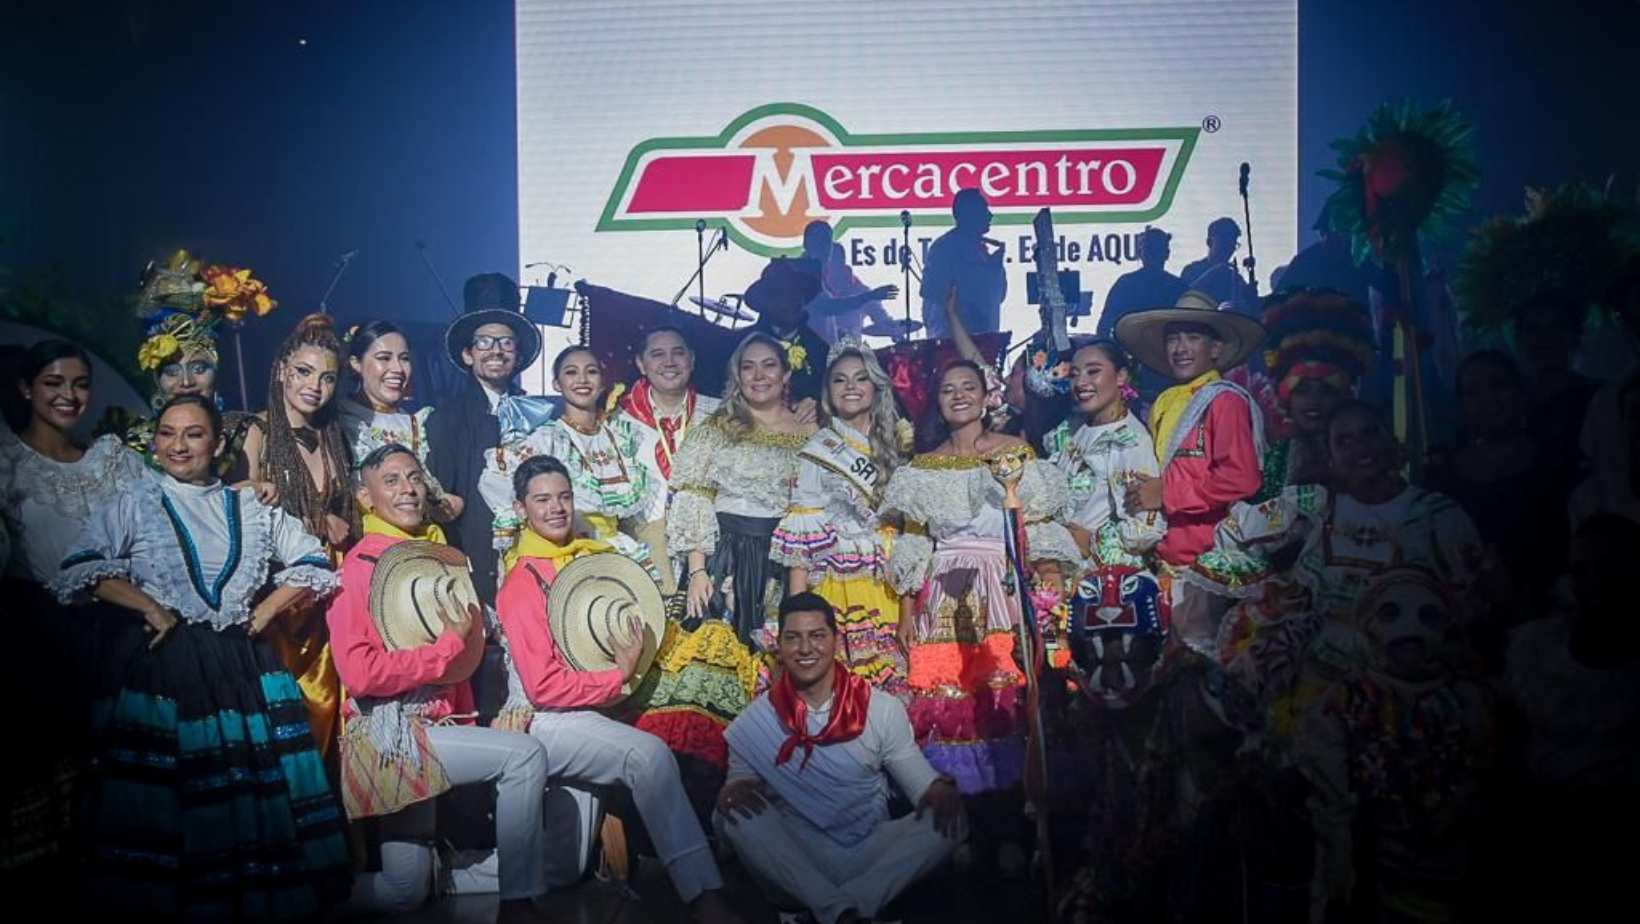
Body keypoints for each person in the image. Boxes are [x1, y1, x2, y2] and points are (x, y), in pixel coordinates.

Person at [52, 395, 349, 919]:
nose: (177, 445)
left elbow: (311, 560)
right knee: (168, 797)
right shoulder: (136, 501)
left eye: (192, 434)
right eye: (167, 434)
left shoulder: (248, 506)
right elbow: (82, 565)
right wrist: (148, 605)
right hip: (166, 666)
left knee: (248, 789)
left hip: (241, 664)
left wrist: (266, 611)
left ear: (217, 444)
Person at [493, 454, 744, 924]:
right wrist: (620, 677)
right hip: (544, 719)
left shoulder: (589, 558)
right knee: (646, 756)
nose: (556, 508)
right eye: (542, 500)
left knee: (563, 871)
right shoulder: (522, 581)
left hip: (592, 711)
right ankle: (704, 895)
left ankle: (439, 875)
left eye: (564, 497)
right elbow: (543, 688)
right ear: (521, 508)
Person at [326, 444, 552, 921]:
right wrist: (448, 647)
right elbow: (361, 674)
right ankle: (518, 906)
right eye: (391, 481)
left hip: (433, 725)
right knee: (524, 757)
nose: (408, 489)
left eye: (413, 477)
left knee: (404, 892)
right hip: (394, 733)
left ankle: (307, 898)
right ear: (365, 498)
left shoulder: (435, 555)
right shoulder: (358, 569)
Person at [880, 361, 1079, 795]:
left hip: (1002, 588)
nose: (958, 396)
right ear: (938, 401)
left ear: (987, 396)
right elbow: (915, 541)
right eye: (948, 389)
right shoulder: (923, 467)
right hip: (944, 594)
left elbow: (1039, 527)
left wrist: (1047, 587)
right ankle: (956, 799)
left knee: (1003, 683)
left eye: (968, 387)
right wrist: (906, 608)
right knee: (947, 687)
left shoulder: (1015, 452)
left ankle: (1008, 797)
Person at [717, 593, 966, 924]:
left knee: (952, 816)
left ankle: (844, 907)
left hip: (870, 852)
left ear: (836, 641)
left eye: (817, 636)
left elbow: (920, 784)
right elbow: (738, 784)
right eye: (793, 638)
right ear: (779, 646)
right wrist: (732, 792)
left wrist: (938, 791)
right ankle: (842, 911)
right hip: (795, 859)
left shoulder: (881, 708)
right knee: (732, 815)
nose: (805, 649)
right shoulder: (754, 722)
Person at [0, 339, 148, 877]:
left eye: (80, 383)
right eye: (53, 383)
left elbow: (168, 512)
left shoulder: (112, 460)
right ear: (25, 388)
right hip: (39, 637)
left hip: (118, 632)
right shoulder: (8, 461)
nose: (68, 395)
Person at [634, 333, 815, 771]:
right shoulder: (716, 429)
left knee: (773, 664)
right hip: (722, 557)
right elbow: (694, 497)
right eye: (748, 366)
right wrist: (697, 570)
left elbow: (809, 517)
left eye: (769, 365)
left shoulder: (810, 435)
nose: (759, 376)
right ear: (737, 374)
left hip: (779, 558)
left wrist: (800, 590)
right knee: (707, 664)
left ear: (785, 373)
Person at [1114, 292, 1266, 653]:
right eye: (1172, 338)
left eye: (1193, 337)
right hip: (1167, 556)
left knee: (1204, 669)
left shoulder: (1224, 399)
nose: (1180, 348)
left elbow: (1241, 478)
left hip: (1210, 563)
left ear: (1215, 349)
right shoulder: (1165, 402)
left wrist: (1166, 494)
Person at [242, 313, 358, 761]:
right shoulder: (254, 429)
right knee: (286, 709)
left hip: (329, 589)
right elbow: (233, 498)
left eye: (328, 377)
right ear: (282, 370)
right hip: (279, 590)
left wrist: (332, 518)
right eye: (305, 372)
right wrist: (258, 491)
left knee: (329, 706)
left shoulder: (333, 438)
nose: (316, 386)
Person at [771, 337, 911, 698]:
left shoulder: (898, 448)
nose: (851, 387)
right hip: (836, 583)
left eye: (861, 378)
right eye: (840, 379)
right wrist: (795, 616)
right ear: (827, 392)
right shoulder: (818, 451)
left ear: (875, 386)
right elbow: (800, 546)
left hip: (889, 584)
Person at [480, 344, 657, 575]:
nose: (582, 379)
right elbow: (495, 480)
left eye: (591, 372)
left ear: (603, 383)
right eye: (571, 372)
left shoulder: (619, 438)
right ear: (557, 384)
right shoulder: (549, 439)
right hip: (565, 553)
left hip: (615, 551)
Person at [425, 273, 547, 604]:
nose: (496, 351)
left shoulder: (539, 416)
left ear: (518, 354)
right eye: (484, 342)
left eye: (506, 342)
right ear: (468, 354)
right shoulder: (444, 420)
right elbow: (441, 503)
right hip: (475, 564)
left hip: (537, 561)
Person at [97, 251, 263, 485]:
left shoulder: (241, 434)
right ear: (156, 378)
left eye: (198, 368)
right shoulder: (131, 443)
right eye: (171, 371)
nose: (185, 382)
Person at [615, 325, 722, 594]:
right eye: (657, 354)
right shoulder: (618, 419)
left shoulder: (720, 412)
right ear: (641, 363)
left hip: (711, 545)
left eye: (678, 353)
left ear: (692, 359)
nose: (669, 362)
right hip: (645, 546)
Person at [1042, 339, 1165, 574]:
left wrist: (1092, 541)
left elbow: (1147, 528)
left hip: (1095, 579)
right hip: (1057, 567)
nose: (1081, 382)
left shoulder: (1129, 441)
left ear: (1121, 377)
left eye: (1093, 371)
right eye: (1075, 374)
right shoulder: (1072, 429)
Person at [337, 319, 462, 523]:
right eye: (384, 358)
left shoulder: (418, 424)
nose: (397, 368)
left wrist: (446, 505)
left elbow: (435, 498)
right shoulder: (338, 420)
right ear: (356, 363)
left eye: (404, 358)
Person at [744, 257, 832, 407]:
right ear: (766, 301)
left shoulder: (820, 349)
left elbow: (830, 397)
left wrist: (816, 406)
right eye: (781, 295)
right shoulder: (742, 345)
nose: (790, 301)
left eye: (795, 294)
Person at [920, 189, 1007, 338]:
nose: (990, 215)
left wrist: (995, 270)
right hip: (951, 341)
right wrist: (966, 310)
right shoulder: (945, 247)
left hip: (983, 339)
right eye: (983, 210)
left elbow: (997, 298)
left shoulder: (983, 250)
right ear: (968, 214)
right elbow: (931, 290)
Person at [799, 220, 901, 342]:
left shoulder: (859, 289)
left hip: (842, 354)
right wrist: (868, 297)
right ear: (806, 244)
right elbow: (827, 307)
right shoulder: (802, 275)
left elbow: (882, 319)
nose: (825, 250)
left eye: (827, 243)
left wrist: (896, 332)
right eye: (819, 242)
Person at [1178, 217, 1250, 313]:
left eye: (1233, 244)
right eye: (1224, 242)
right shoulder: (1192, 270)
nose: (1229, 248)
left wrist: (1249, 295)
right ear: (1209, 242)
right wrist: (1216, 271)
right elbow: (1184, 296)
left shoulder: (1235, 278)